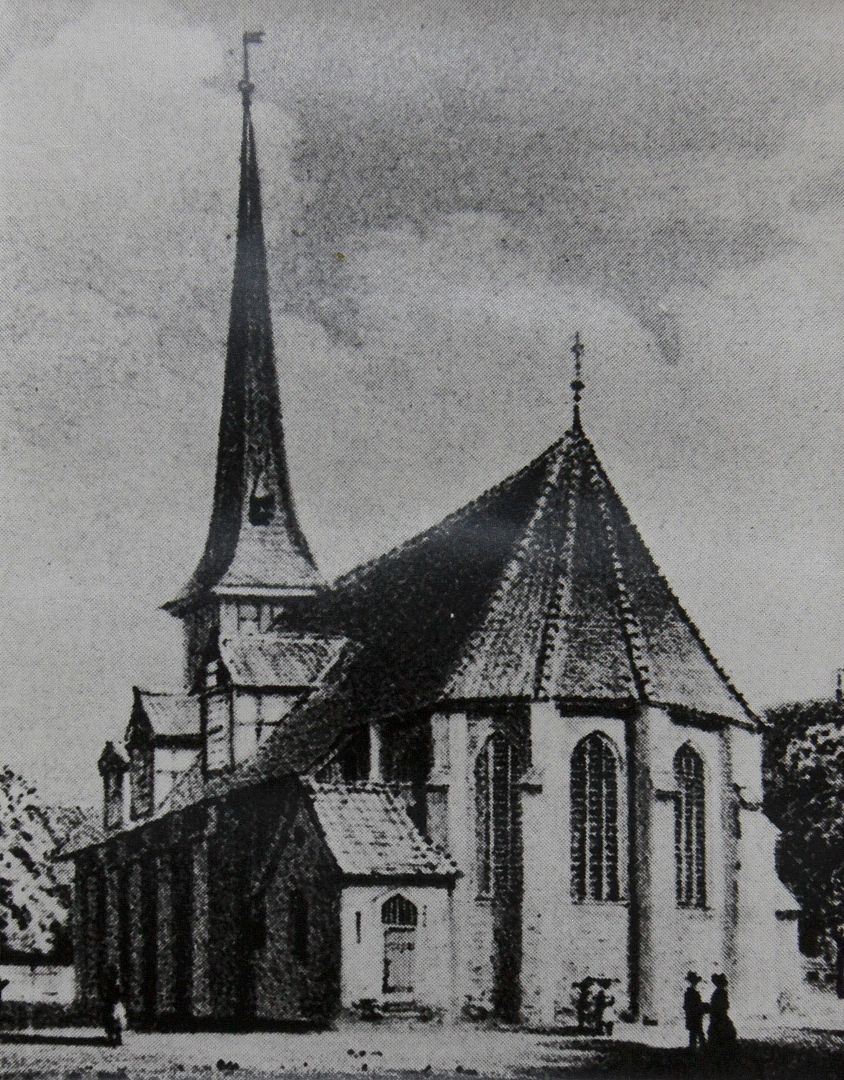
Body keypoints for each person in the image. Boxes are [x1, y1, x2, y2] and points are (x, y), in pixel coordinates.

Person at [707, 973, 737, 1059]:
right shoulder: (721, 992)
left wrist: (711, 1008)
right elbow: (724, 1005)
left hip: (718, 1017)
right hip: (720, 1016)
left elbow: (722, 1006)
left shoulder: (719, 992)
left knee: (718, 1034)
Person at [683, 971, 707, 1051]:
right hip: (695, 1015)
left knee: (694, 1033)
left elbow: (686, 1006)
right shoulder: (692, 993)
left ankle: (694, 1049)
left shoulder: (689, 993)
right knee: (698, 1032)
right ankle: (701, 1049)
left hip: (692, 1015)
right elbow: (691, 1006)